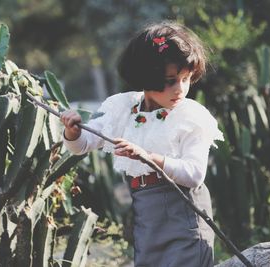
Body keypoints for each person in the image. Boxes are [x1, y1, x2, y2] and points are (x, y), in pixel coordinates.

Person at [60, 21, 223, 267]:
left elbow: (194, 174)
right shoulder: (122, 108)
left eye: (186, 78)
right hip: (147, 215)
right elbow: (83, 145)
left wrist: (147, 156)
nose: (180, 89)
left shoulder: (191, 117)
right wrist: (72, 132)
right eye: (170, 80)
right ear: (146, 76)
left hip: (184, 213)